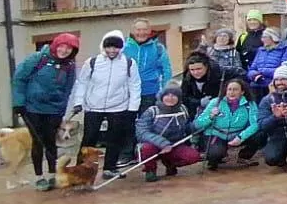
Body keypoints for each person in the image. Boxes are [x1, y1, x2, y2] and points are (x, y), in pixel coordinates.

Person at [69, 29, 142, 179]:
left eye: (116, 47)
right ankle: (80, 168)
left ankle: (110, 167)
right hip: (93, 106)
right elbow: (82, 83)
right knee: (89, 139)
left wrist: (132, 108)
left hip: (119, 106)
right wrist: (78, 102)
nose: (112, 50)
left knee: (115, 138)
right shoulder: (92, 62)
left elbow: (134, 85)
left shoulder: (129, 63)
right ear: (104, 46)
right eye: (109, 46)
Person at [12, 32, 80, 190]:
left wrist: (62, 109)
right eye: (62, 46)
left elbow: (67, 89)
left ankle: (51, 174)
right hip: (32, 108)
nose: (64, 51)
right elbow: (19, 78)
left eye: (69, 49)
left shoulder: (69, 66)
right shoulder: (37, 59)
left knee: (51, 142)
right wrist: (18, 102)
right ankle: (38, 176)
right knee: (38, 142)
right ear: (56, 45)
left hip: (54, 109)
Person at [135, 83, 201, 182]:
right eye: (167, 95)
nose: (170, 98)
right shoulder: (152, 111)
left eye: (174, 95)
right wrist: (163, 143)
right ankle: (150, 170)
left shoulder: (183, 109)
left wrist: (199, 124)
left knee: (193, 156)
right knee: (147, 148)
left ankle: (170, 163)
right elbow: (142, 132)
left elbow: (187, 127)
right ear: (161, 96)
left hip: (175, 145)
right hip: (154, 145)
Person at [195, 77, 260, 169]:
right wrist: (211, 116)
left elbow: (255, 124)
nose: (231, 92)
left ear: (242, 92)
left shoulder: (250, 104)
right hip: (217, 134)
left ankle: (244, 156)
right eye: (229, 89)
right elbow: (198, 123)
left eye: (235, 89)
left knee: (260, 134)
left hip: (237, 134)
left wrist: (241, 137)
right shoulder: (215, 102)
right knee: (214, 155)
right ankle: (217, 157)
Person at [246, 27, 287, 101]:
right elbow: (252, 68)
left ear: (273, 38)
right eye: (262, 37)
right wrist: (254, 75)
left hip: (275, 82)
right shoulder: (261, 50)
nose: (262, 39)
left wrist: (262, 72)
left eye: (265, 37)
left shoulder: (285, 49)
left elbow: (284, 69)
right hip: (258, 82)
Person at [178, 51, 226, 117]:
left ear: (206, 67)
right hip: (194, 112)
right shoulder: (187, 77)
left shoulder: (217, 76)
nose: (196, 72)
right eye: (192, 70)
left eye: (199, 69)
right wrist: (198, 102)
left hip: (216, 111)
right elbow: (183, 97)